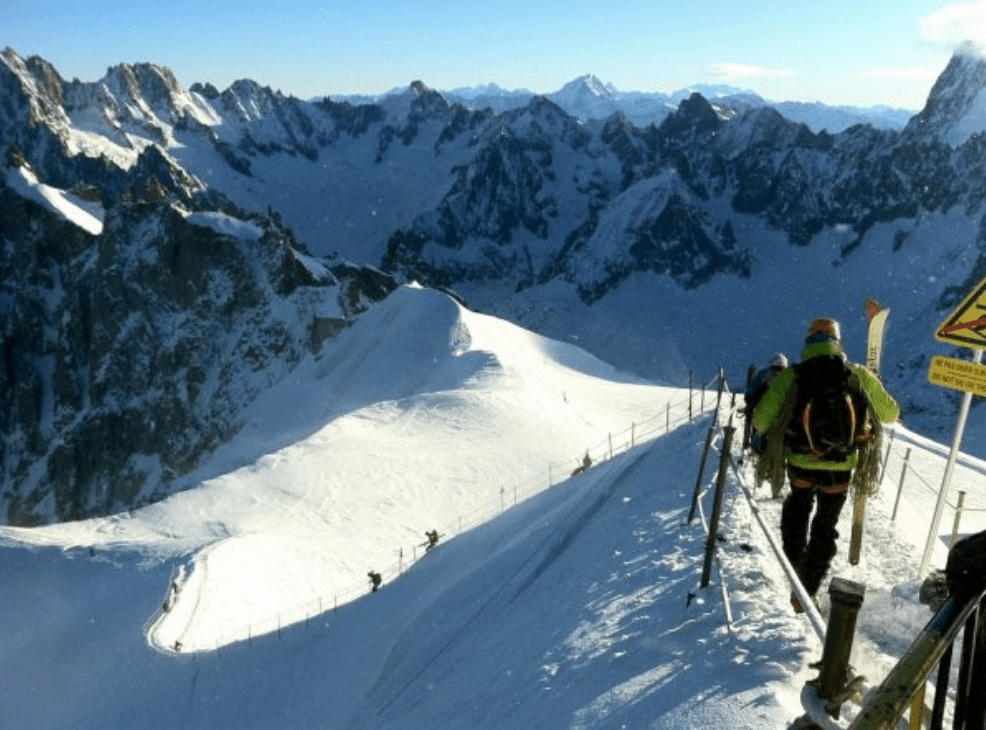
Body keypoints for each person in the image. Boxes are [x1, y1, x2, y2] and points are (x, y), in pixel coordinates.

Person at [752, 318, 899, 609]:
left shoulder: (793, 375)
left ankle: (794, 571)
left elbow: (760, 420)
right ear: (838, 341)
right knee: (825, 528)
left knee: (797, 513)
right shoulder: (856, 374)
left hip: (801, 464)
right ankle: (805, 592)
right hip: (840, 469)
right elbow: (890, 414)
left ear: (808, 342)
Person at [743, 352, 789, 458]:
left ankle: (749, 445)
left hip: (762, 411)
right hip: (782, 414)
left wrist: (750, 401)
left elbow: (751, 392)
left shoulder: (764, 373)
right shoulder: (789, 376)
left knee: (753, 424)